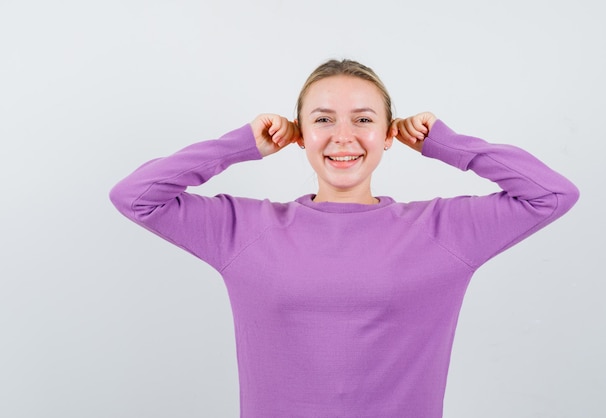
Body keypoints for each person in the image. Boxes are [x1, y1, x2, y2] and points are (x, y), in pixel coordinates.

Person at [110, 59, 579, 418]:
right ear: (298, 135)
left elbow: (552, 195)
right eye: (323, 119)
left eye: (362, 119)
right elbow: (135, 197)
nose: (343, 136)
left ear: (389, 133)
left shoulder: (441, 231)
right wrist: (241, 144)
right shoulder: (245, 230)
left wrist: (446, 143)